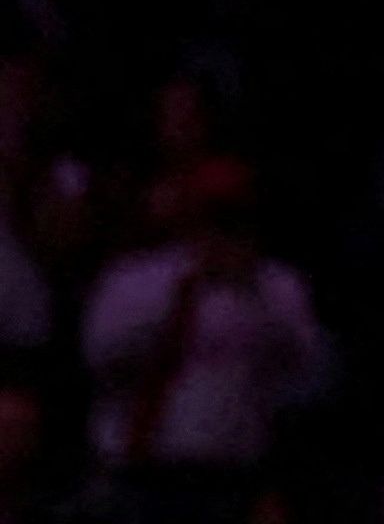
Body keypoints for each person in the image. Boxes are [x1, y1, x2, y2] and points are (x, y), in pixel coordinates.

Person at [78, 160, 331, 524]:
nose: (220, 226)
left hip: (231, 481)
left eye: (232, 212)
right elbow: (98, 359)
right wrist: (177, 299)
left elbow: (311, 375)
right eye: (212, 211)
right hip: (138, 478)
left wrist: (252, 295)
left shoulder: (277, 288)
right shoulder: (134, 279)